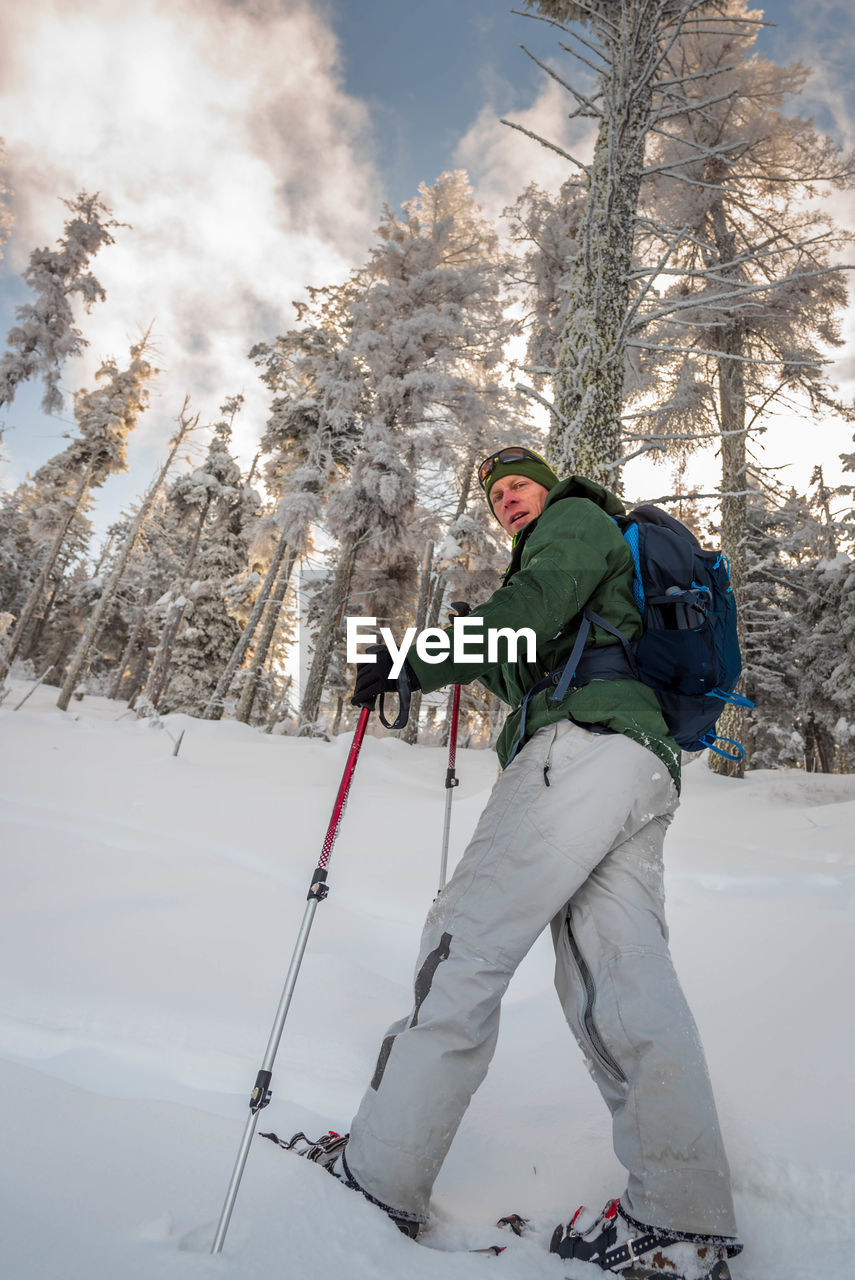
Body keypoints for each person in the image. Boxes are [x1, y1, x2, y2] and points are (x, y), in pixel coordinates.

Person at [306, 447, 742, 1280]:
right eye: (496, 493)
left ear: (552, 486)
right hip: (635, 767)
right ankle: (679, 1223)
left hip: (577, 755)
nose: (508, 499)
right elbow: (527, 646)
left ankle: (378, 1178)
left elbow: (530, 609)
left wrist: (411, 659)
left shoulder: (577, 519)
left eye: (518, 485)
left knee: (464, 945)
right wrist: (468, 647)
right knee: (622, 980)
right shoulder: (594, 561)